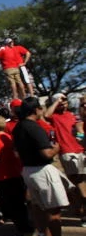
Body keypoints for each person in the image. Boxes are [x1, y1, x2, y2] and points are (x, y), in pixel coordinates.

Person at [13, 97, 85, 236]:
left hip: (28, 170)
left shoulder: (18, 127)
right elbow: (46, 153)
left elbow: (16, 152)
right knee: (54, 210)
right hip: (42, 170)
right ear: (36, 110)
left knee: (39, 207)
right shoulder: (34, 127)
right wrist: (57, 148)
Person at [0, 116, 33, 236]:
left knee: (11, 204)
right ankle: (27, 229)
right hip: (16, 173)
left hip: (2, 175)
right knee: (20, 203)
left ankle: (21, 230)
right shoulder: (9, 137)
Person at [44, 93, 86, 225]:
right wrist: (56, 101)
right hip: (68, 152)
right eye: (60, 100)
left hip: (81, 150)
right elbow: (46, 115)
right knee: (79, 183)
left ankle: (80, 210)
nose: (63, 102)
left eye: (65, 100)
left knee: (79, 183)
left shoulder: (73, 115)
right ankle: (82, 213)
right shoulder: (54, 117)